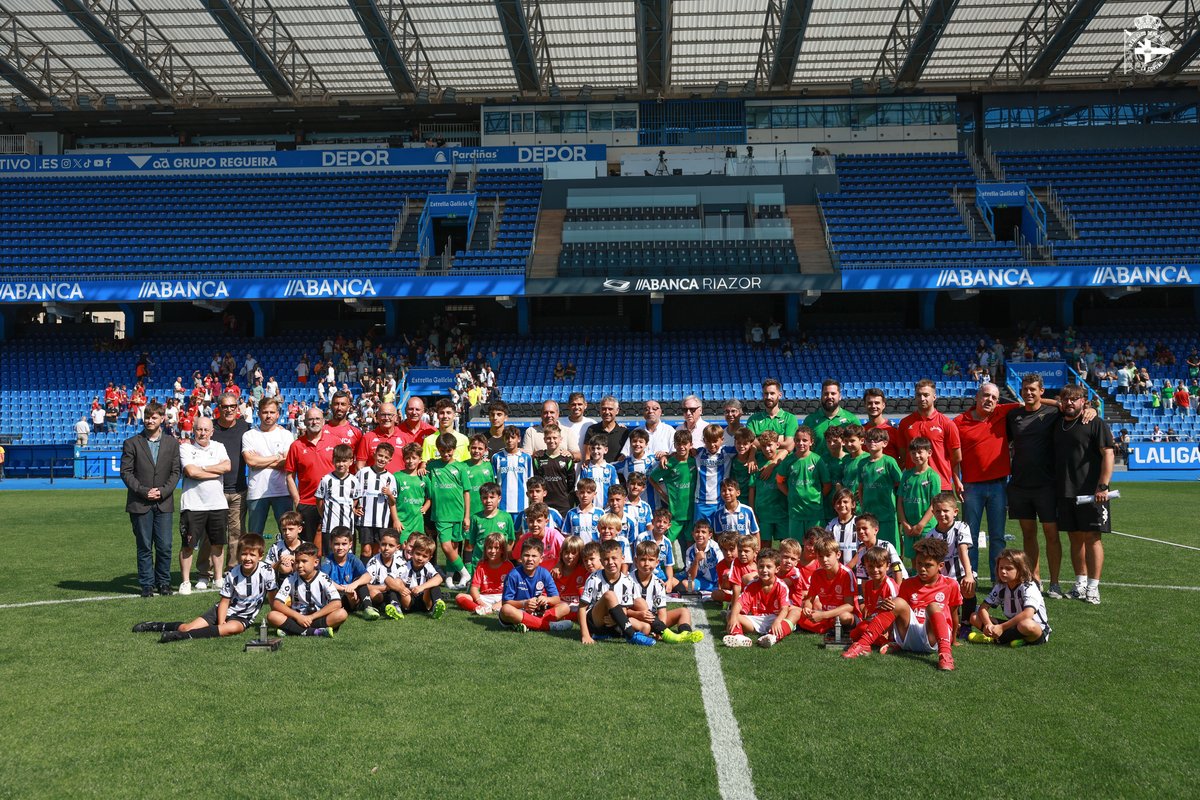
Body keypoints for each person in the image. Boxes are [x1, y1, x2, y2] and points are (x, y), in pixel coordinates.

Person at [842, 537, 962, 670]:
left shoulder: (951, 584)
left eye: (928, 565)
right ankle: (863, 644)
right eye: (919, 563)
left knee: (933, 606)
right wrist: (889, 606)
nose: (922, 568)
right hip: (909, 636)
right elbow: (899, 614)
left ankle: (945, 654)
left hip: (933, 638)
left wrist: (953, 640)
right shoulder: (908, 584)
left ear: (940, 566)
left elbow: (953, 615)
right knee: (897, 602)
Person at [133, 533, 276, 643]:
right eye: (244, 554)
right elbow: (224, 601)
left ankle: (180, 636)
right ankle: (157, 626)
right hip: (221, 610)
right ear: (238, 554)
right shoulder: (233, 574)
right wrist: (221, 622)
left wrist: (276, 619)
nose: (247, 558)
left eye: (252, 555)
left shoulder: (267, 571)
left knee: (232, 628)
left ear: (260, 556)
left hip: (242, 617)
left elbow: (272, 598)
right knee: (187, 627)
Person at [1053, 384, 1114, 606]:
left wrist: (1103, 486)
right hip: (1065, 491)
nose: (1070, 402)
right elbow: (1039, 402)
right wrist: (1059, 402)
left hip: (1092, 493)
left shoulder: (1095, 423)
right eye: (1066, 399)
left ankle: (1093, 587)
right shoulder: (1057, 422)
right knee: (1075, 538)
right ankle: (1079, 584)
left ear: (1084, 401)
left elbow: (1108, 454)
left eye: (1075, 399)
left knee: (1093, 538)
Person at [121, 402, 181, 597]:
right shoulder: (131, 443)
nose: (149, 421)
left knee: (165, 546)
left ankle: (163, 582)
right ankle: (146, 584)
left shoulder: (172, 443)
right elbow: (126, 472)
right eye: (147, 417)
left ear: (162, 419)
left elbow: (176, 472)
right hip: (140, 503)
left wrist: (162, 491)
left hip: (164, 502)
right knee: (144, 546)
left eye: (154, 417)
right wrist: (143, 491)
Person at [177, 417, 231, 595]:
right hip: (193, 505)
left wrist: (203, 468)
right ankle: (185, 582)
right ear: (193, 430)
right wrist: (214, 471)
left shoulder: (219, 447)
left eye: (206, 430)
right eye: (199, 429)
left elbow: (227, 466)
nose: (202, 433)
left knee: (218, 544)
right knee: (188, 545)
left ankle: (218, 579)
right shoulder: (186, 448)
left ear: (211, 432)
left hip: (217, 504)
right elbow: (191, 471)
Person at [579, 539, 656, 646]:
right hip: (596, 620)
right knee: (609, 595)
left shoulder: (627, 581)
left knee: (645, 628)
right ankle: (631, 636)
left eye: (614, 558)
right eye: (606, 559)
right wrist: (585, 635)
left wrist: (616, 619)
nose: (610, 562)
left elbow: (624, 609)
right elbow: (582, 608)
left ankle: (606, 634)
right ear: (601, 561)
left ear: (622, 559)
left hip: (613, 621)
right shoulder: (594, 578)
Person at [969, 548, 1050, 646]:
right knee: (974, 617)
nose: (1003, 571)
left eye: (1008, 568)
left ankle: (996, 639)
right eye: (1001, 568)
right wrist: (988, 624)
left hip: (1036, 629)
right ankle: (1009, 639)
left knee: (1026, 624)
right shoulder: (1001, 586)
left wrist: (1001, 627)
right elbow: (983, 607)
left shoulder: (1029, 587)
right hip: (1013, 626)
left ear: (1020, 570)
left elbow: (1027, 614)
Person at [628, 540, 702, 643]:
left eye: (651, 560)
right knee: (639, 603)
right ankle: (666, 634)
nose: (646, 564)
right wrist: (639, 614)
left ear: (657, 562)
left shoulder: (658, 583)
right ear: (636, 561)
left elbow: (661, 611)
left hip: (654, 619)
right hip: (635, 618)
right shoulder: (627, 581)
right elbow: (622, 611)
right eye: (643, 559)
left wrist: (660, 629)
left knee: (684, 611)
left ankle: (685, 634)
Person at [208, 392, 250, 574]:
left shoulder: (245, 427)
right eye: (225, 406)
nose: (229, 410)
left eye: (233, 406)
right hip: (214, 489)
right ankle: (208, 571)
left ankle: (231, 569)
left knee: (236, 533)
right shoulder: (211, 428)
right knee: (211, 533)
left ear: (237, 408)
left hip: (238, 490)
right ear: (219, 408)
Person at [898, 379, 963, 497]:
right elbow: (903, 455)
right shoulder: (905, 423)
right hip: (914, 484)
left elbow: (956, 457)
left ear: (934, 397)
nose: (922, 398)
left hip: (940, 484)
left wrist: (956, 480)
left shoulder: (947, 423)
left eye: (926, 395)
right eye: (919, 395)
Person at [925, 491, 977, 638]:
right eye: (938, 511)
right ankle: (952, 624)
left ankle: (966, 624)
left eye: (945, 511)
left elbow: (962, 550)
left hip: (961, 575)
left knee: (968, 587)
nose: (942, 514)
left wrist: (968, 575)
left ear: (955, 512)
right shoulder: (930, 536)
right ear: (933, 513)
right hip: (942, 579)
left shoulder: (961, 527)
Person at [266, 543, 346, 637]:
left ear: (316, 562)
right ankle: (316, 632)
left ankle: (293, 630)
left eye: (304, 561)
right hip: (297, 618)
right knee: (272, 616)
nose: (299, 565)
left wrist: (311, 617)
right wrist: (298, 617)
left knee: (342, 614)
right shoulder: (290, 578)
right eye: (297, 561)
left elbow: (337, 603)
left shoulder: (324, 578)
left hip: (318, 617)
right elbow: (277, 603)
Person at [242, 398, 293, 540]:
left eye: (272, 412)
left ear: (278, 414)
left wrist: (260, 461)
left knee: (288, 536)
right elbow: (251, 461)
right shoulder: (249, 435)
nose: (268, 415)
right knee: (254, 537)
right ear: (258, 413)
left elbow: (287, 462)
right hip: (257, 492)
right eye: (265, 412)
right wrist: (276, 457)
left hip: (282, 491)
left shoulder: (286, 435)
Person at [426, 433, 472, 590]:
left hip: (458, 513)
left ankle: (450, 579)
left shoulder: (461, 467)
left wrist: (466, 516)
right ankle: (465, 573)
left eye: (449, 451)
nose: (446, 454)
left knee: (453, 548)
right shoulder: (432, 466)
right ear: (438, 450)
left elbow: (466, 492)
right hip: (441, 514)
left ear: (454, 449)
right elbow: (422, 471)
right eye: (442, 451)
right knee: (446, 546)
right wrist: (422, 467)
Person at [285, 407, 336, 548]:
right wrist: (297, 501)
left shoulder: (335, 442)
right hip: (307, 503)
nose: (314, 422)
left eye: (317, 419)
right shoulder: (296, 446)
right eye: (311, 419)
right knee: (307, 547)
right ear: (305, 421)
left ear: (323, 421)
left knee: (331, 546)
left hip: (331, 502)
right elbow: (289, 476)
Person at [722, 547, 793, 648]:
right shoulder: (752, 585)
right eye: (761, 566)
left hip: (774, 618)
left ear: (777, 569)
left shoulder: (781, 586)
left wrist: (777, 621)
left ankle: (772, 637)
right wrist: (733, 618)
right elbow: (739, 603)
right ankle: (739, 637)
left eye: (769, 567)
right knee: (731, 615)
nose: (764, 570)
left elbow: (784, 609)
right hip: (756, 620)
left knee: (790, 617)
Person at [499, 538, 571, 633]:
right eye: (526, 555)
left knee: (565, 607)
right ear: (521, 557)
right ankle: (549, 626)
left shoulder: (544, 573)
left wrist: (547, 599)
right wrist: (524, 603)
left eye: (534, 556)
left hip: (536, 613)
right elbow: (505, 602)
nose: (530, 559)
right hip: (518, 612)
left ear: (541, 559)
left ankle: (529, 624)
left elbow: (556, 599)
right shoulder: (513, 575)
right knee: (506, 610)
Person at [792, 535, 857, 634]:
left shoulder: (846, 574)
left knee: (844, 617)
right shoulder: (817, 574)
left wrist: (823, 615)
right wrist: (807, 609)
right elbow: (810, 599)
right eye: (821, 556)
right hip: (825, 614)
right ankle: (829, 628)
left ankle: (831, 628)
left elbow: (850, 606)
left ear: (838, 555)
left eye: (828, 555)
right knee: (798, 613)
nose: (824, 560)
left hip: (842, 614)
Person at [846, 545, 900, 652]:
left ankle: (888, 642)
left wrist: (889, 631)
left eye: (879, 566)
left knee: (862, 629)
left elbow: (896, 612)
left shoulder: (890, 585)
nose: (875, 570)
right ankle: (876, 640)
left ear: (887, 566)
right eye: (870, 566)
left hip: (889, 626)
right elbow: (870, 608)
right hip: (874, 622)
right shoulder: (868, 584)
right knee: (854, 633)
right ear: (865, 566)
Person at [778, 426, 829, 538]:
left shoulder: (817, 460)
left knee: (816, 543)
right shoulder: (788, 460)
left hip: (815, 512)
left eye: (805, 440)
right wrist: (790, 494)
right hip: (796, 512)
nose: (801, 443)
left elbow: (827, 484)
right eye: (797, 440)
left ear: (811, 442)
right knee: (796, 545)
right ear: (794, 441)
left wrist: (818, 497)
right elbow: (780, 481)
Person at [857, 428, 902, 551]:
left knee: (889, 548)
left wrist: (898, 506)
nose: (872, 442)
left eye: (876, 440)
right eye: (869, 440)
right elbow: (861, 487)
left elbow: (900, 484)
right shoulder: (862, 463)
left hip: (887, 513)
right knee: (872, 548)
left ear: (885, 443)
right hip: (870, 513)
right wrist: (863, 505)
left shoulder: (889, 461)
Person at [649, 429, 696, 546]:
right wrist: (663, 495)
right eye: (678, 444)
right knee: (666, 543)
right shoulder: (668, 463)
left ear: (691, 445)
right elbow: (652, 479)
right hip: (675, 513)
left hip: (691, 511)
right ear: (674, 445)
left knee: (690, 543)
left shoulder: (695, 461)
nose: (681, 447)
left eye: (685, 444)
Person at [897, 437, 941, 560]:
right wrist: (904, 523)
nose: (916, 455)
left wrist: (921, 524)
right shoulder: (906, 475)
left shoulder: (933, 476)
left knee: (927, 559)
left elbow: (934, 503)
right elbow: (900, 501)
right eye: (913, 453)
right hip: (909, 527)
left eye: (920, 452)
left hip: (926, 527)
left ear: (929, 453)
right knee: (914, 560)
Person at [384, 534, 447, 619]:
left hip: (425, 602)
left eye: (424, 556)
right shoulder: (405, 566)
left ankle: (437, 604)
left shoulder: (428, 566)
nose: (420, 558)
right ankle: (396, 606)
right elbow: (387, 579)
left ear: (429, 558)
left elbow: (439, 578)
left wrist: (421, 587)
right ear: (412, 552)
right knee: (396, 582)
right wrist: (400, 589)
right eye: (418, 554)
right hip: (409, 602)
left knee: (433, 582)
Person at [355, 443, 400, 559]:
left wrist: (389, 494)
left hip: (382, 521)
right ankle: (364, 570)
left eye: (386, 457)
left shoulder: (390, 478)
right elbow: (354, 494)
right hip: (365, 519)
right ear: (374, 455)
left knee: (378, 550)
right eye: (380, 455)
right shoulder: (362, 473)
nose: (382, 459)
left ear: (390, 460)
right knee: (366, 550)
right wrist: (354, 508)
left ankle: (375, 570)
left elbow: (393, 502)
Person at [315, 444, 358, 556]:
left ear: (351, 461)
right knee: (330, 557)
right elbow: (319, 501)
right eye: (338, 461)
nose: (341, 464)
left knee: (348, 557)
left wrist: (351, 509)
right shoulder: (326, 480)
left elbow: (355, 500)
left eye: (344, 461)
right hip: (329, 527)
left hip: (348, 526)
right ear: (333, 461)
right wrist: (324, 515)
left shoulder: (354, 481)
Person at [456, 532, 514, 615]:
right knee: (460, 597)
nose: (493, 551)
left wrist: (500, 603)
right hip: (485, 597)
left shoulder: (508, 566)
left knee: (514, 600)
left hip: (503, 597)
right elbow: (474, 588)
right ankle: (479, 609)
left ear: (502, 550)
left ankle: (493, 608)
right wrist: (480, 602)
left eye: (496, 548)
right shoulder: (481, 565)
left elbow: (513, 590)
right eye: (490, 547)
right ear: (485, 549)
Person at [320, 527, 371, 617]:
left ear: (350, 544)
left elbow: (368, 576)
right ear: (331, 544)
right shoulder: (328, 561)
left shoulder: (352, 559)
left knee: (361, 582)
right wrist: (343, 589)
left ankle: (368, 608)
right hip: (335, 595)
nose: (340, 547)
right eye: (336, 544)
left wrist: (354, 584)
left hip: (351, 594)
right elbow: (323, 579)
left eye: (344, 544)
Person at [801, 379, 860, 457]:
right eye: (826, 394)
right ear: (821, 396)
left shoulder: (851, 419)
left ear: (840, 396)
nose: (829, 396)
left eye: (833, 393)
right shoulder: (810, 420)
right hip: (817, 464)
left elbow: (859, 447)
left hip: (844, 464)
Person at [467, 482, 514, 568]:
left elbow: (511, 539)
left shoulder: (506, 517)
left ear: (499, 498)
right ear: (481, 499)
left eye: (492, 497)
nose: (488, 501)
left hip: (500, 562)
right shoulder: (475, 518)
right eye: (485, 497)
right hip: (480, 561)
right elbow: (472, 542)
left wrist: (505, 555)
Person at [492, 426, 533, 518]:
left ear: (519, 439)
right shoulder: (496, 457)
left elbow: (530, 481)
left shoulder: (526, 458)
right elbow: (494, 482)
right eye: (507, 438)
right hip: (502, 505)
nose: (509, 440)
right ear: (503, 439)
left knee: (521, 528)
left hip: (522, 505)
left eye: (513, 437)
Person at [354, 402, 406, 472]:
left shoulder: (404, 436)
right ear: (377, 417)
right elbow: (360, 465)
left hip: (399, 479)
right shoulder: (368, 437)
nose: (386, 418)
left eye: (389, 415)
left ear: (396, 418)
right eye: (383, 415)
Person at [578, 396, 628, 462]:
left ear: (617, 411)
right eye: (604, 409)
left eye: (610, 409)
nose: (607, 412)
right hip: (596, 468)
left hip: (617, 468)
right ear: (600, 410)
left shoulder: (624, 432)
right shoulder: (592, 430)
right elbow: (587, 455)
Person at [576, 434, 619, 508]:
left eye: (598, 448)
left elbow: (616, 489)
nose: (595, 451)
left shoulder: (611, 469)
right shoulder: (585, 468)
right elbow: (578, 488)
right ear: (589, 450)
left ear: (605, 450)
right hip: (589, 509)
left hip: (607, 509)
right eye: (593, 448)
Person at [421, 398, 469, 462]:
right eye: (441, 413)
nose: (445, 416)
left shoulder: (464, 439)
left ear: (454, 415)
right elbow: (425, 464)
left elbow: (468, 463)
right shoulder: (428, 441)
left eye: (448, 413)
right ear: (437, 416)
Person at [861, 388, 901, 461]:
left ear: (883, 405)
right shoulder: (861, 431)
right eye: (869, 403)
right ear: (865, 405)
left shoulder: (895, 429)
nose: (873, 406)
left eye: (877, 403)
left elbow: (903, 457)